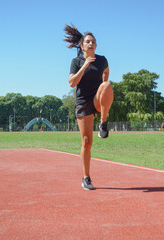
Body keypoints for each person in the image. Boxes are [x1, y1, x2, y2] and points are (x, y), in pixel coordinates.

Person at [63, 24, 114, 190]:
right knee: (86, 141)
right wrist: (85, 65)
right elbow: (72, 83)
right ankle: (86, 178)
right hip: (83, 102)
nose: (91, 44)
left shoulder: (102, 60)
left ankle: (103, 122)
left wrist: (102, 84)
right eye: (88, 42)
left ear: (96, 45)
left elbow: (106, 72)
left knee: (106, 85)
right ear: (82, 46)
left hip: (96, 100)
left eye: (93, 41)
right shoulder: (76, 61)